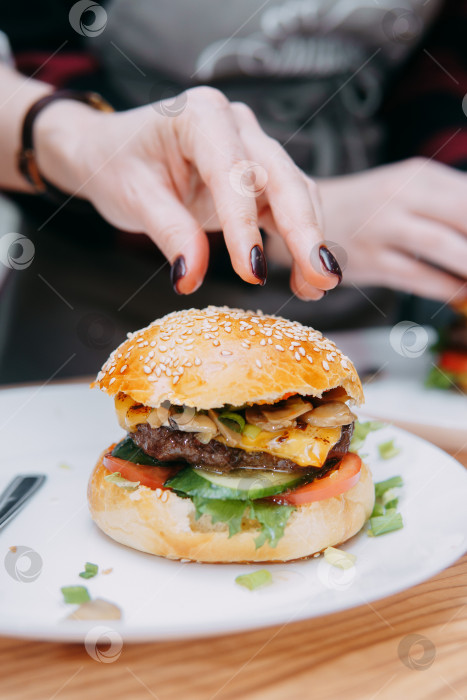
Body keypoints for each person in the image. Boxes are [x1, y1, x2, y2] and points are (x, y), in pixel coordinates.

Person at [0, 0, 465, 383]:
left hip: (366, 340)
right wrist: (75, 136)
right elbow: (30, 46)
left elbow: (436, 59)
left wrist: (449, 189)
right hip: (97, 332)